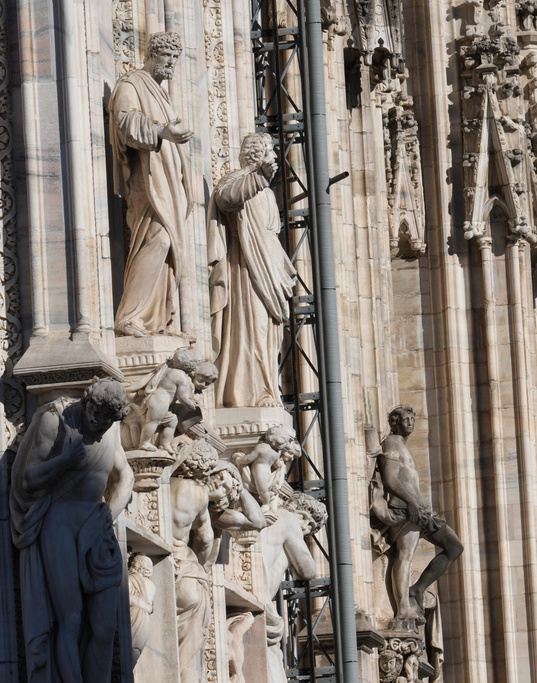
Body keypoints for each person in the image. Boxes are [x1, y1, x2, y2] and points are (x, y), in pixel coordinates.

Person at [9, 379, 133, 683]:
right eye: (94, 416)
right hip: (59, 525)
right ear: (87, 403)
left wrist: (109, 513)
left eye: (105, 420)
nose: (97, 424)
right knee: (72, 618)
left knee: (105, 626)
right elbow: (26, 480)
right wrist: (64, 461)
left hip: (97, 525)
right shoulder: (56, 420)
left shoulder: (111, 428)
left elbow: (126, 475)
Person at [109, 32, 194, 338]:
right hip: (145, 181)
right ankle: (130, 316)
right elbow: (126, 122)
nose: (171, 62)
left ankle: (158, 320)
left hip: (167, 182)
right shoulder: (131, 84)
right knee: (156, 239)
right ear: (151, 55)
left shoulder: (162, 94)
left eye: (175, 57)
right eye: (166, 56)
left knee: (169, 246)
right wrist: (161, 132)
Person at [208, 133, 297, 408]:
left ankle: (267, 389)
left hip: (269, 269)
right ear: (257, 154)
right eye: (269, 150)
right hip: (245, 270)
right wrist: (257, 178)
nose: (273, 156)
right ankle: (248, 394)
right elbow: (225, 199)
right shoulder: (236, 180)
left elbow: (270, 235)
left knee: (270, 333)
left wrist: (282, 268)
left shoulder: (269, 193)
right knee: (251, 328)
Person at [170, 442, 264, 683]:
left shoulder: (217, 516)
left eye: (224, 487)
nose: (218, 483)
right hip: (187, 575)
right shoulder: (194, 491)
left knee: (186, 658)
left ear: (225, 499)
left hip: (194, 580)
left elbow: (258, 521)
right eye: (220, 477)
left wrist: (239, 487)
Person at [370, 405, 463, 621]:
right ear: (395, 422)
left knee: (454, 547)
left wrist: (418, 503)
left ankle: (417, 589)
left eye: (412, 418)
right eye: (405, 419)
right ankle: (403, 608)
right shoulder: (392, 444)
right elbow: (391, 479)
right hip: (404, 510)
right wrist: (412, 502)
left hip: (419, 510)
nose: (410, 422)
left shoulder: (402, 446)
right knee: (405, 555)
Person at [260, 492, 327, 683]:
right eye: (310, 527)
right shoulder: (288, 519)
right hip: (260, 596)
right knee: (271, 658)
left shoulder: (275, 519)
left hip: (260, 594)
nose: (306, 531)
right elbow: (307, 570)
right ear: (304, 516)